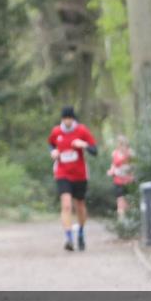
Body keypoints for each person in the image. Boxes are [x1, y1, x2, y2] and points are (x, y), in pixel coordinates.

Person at [48, 106, 97, 251]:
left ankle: (81, 232)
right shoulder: (56, 132)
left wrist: (84, 145)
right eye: (65, 119)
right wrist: (53, 151)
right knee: (66, 205)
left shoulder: (81, 131)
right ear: (62, 119)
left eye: (70, 118)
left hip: (80, 174)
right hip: (62, 173)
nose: (67, 121)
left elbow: (95, 150)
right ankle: (69, 238)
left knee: (80, 205)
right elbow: (50, 144)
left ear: (73, 119)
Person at [107, 135, 135, 220]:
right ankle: (122, 221)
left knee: (129, 202)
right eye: (120, 144)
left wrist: (132, 175)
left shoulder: (130, 153)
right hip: (118, 181)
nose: (122, 147)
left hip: (128, 181)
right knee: (120, 201)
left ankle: (130, 219)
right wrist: (111, 171)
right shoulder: (115, 153)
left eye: (123, 144)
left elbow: (133, 166)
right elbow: (113, 165)